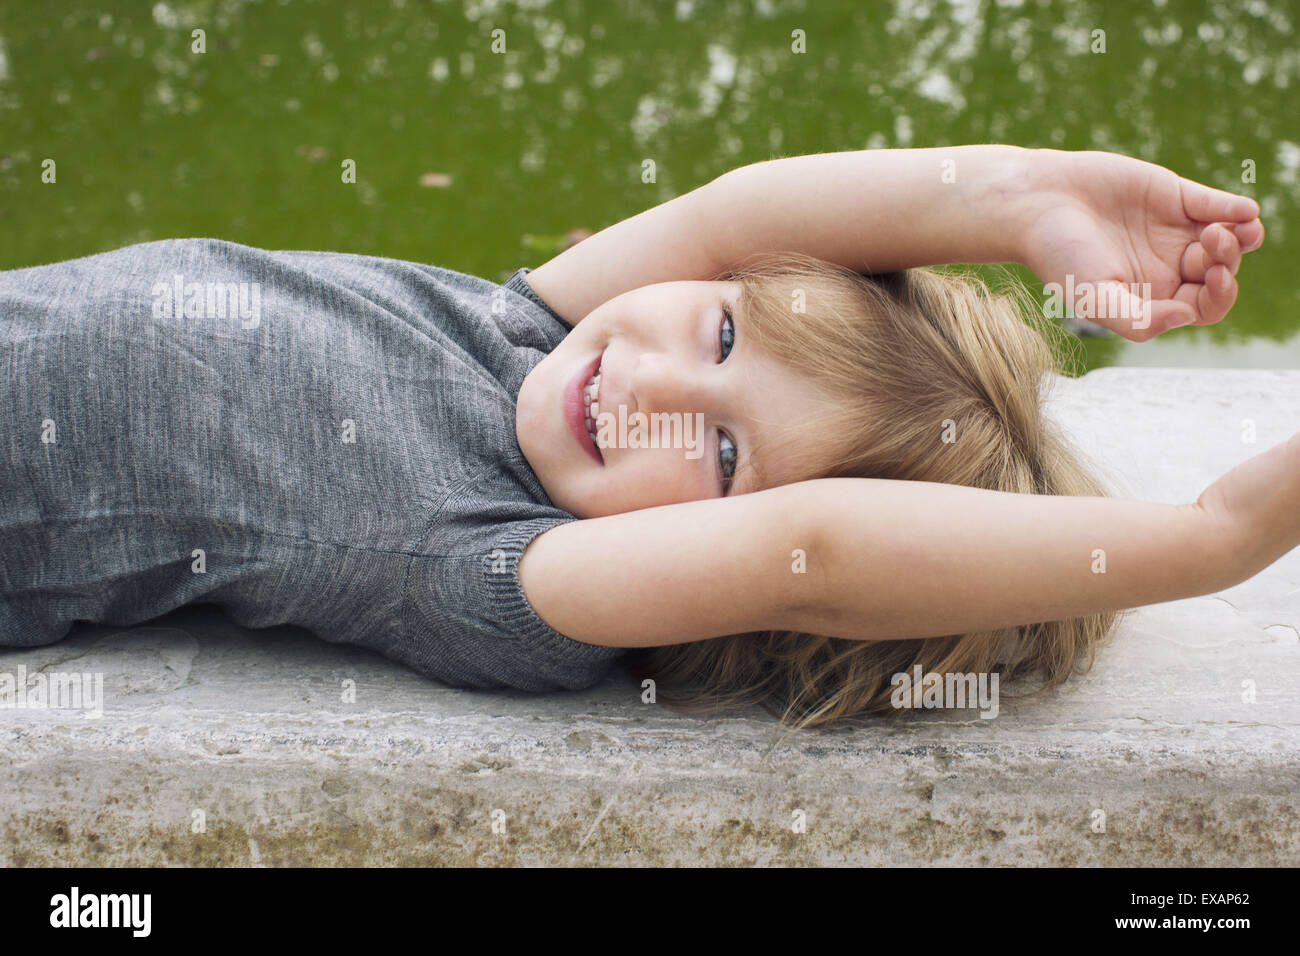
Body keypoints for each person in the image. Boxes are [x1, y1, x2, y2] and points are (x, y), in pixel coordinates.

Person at [2, 145, 1291, 734]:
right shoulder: (529, 331)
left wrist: (1208, 539)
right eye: (725, 336)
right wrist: (1018, 196)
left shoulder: (505, 570)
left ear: (719, 565)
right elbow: (747, 208)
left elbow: (823, 543)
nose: (657, 388)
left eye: (722, 455)